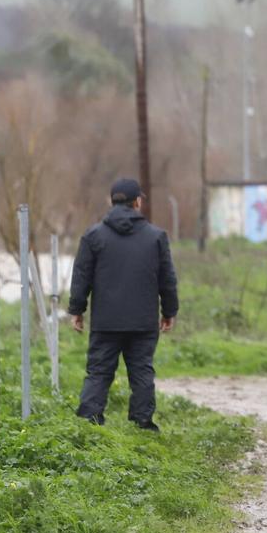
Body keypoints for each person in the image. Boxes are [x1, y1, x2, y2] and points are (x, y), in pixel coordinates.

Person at [68, 178, 178, 431]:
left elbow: (81, 275)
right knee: (141, 372)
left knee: (98, 371)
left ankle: (89, 421)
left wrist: (77, 309)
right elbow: (167, 279)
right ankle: (143, 421)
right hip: (143, 321)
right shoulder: (156, 236)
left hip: (106, 321)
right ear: (137, 202)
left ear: (111, 201)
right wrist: (169, 311)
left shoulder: (93, 235)